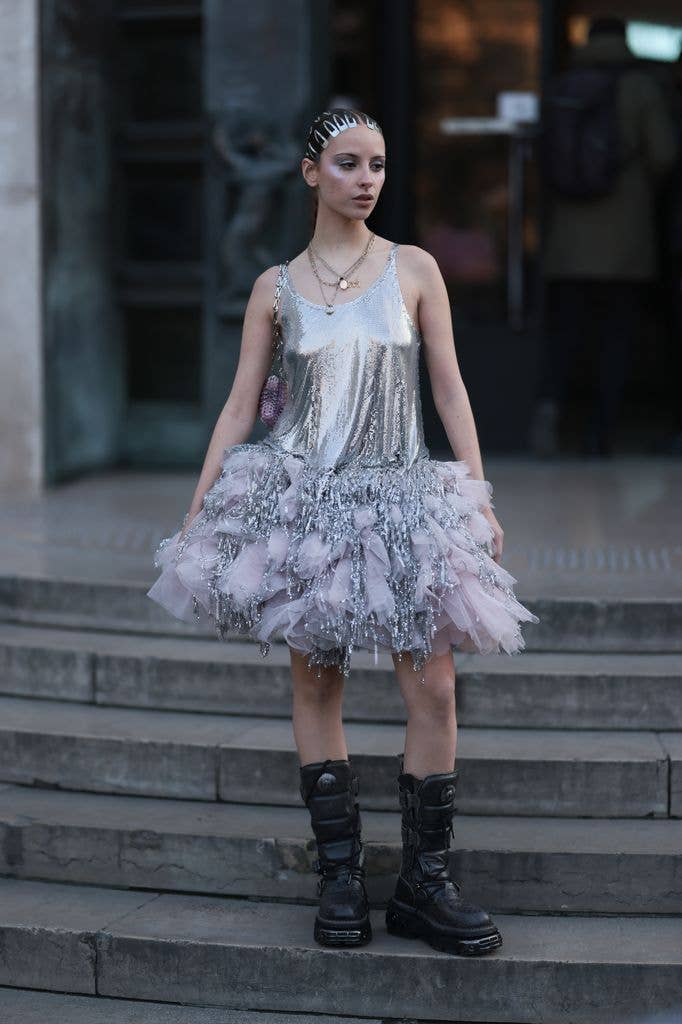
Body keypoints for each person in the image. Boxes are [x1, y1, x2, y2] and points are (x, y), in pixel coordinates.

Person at [147, 108, 539, 957]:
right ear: (310, 172)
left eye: (379, 165)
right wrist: (200, 500)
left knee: (432, 688)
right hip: (307, 505)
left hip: (403, 499)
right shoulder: (274, 288)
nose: (367, 179)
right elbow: (241, 404)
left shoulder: (415, 268)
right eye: (349, 163)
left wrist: (478, 493)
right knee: (318, 685)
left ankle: (424, 886)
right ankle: (340, 876)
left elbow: (449, 389)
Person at [532, 16, 679, 457]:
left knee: (565, 331)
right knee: (616, 335)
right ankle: (601, 431)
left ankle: (550, 409)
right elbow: (665, 155)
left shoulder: (563, 84)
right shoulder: (641, 88)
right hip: (625, 235)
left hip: (568, 238)